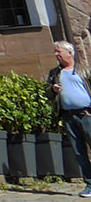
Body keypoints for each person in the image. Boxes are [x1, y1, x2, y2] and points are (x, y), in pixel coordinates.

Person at [49, 40, 91, 195]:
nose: (56, 55)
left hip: (86, 114)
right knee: (79, 152)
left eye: (59, 52)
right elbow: (47, 92)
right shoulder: (55, 73)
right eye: (55, 52)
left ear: (70, 53)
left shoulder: (84, 70)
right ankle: (90, 184)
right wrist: (53, 89)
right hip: (68, 117)